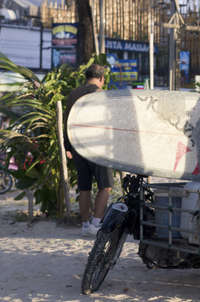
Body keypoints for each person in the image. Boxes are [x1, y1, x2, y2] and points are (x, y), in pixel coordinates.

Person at [63, 64, 114, 236]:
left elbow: (67, 122)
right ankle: (96, 223)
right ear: (101, 79)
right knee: (105, 186)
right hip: (99, 146)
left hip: (78, 146)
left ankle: (85, 224)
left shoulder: (73, 95)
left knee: (84, 187)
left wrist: (67, 146)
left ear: (86, 77)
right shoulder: (103, 95)